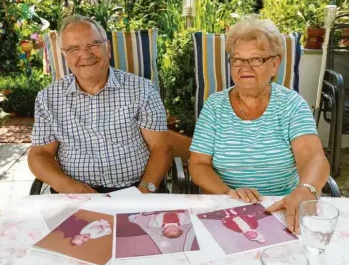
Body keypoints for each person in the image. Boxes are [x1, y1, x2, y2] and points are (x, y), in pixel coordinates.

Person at [189, 15, 330, 234]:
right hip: (228, 208)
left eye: (255, 59)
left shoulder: (291, 105)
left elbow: (313, 157)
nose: (244, 67)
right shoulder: (215, 106)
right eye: (237, 59)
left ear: (275, 64)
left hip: (283, 207)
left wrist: (305, 189)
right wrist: (228, 193)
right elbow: (198, 165)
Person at [28, 15, 172, 194]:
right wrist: (69, 187)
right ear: (65, 56)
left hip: (136, 190)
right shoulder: (48, 98)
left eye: (94, 45)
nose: (85, 54)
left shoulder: (142, 90)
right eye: (74, 48)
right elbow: (40, 153)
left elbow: (161, 147)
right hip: (75, 194)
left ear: (108, 49)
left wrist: (145, 190)